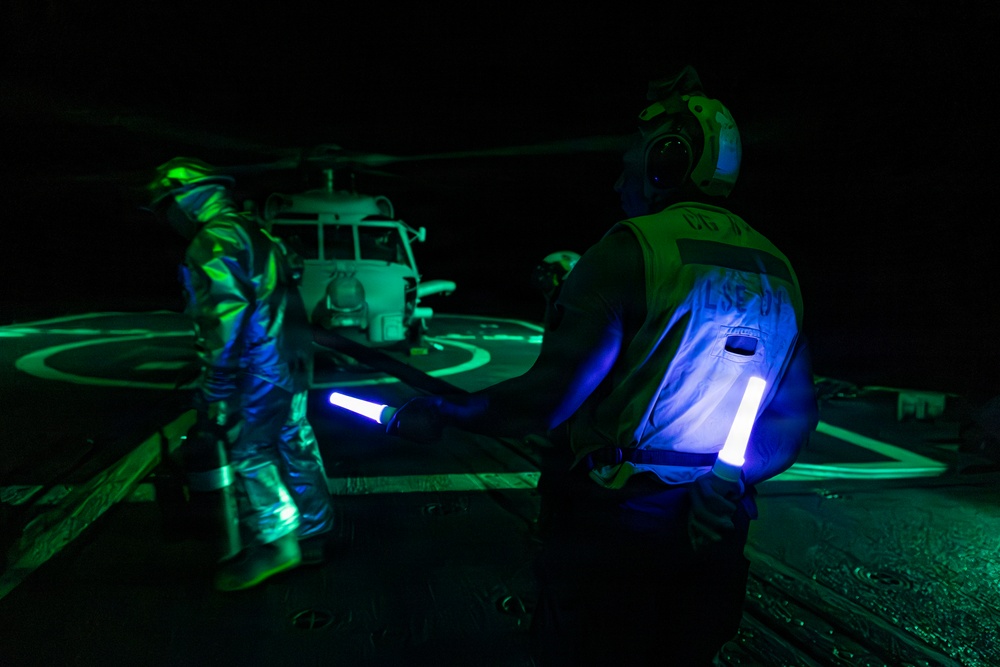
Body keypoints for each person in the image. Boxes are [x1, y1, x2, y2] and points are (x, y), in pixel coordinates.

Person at [383, 66, 818, 666]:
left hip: (616, 526)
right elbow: (794, 417)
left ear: (667, 159)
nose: (619, 181)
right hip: (715, 527)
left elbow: (546, 400)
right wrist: (730, 478)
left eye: (629, 160)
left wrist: (451, 410)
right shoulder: (779, 269)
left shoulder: (628, 249)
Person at [147, 157, 336, 592]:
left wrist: (214, 387)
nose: (166, 218)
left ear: (184, 201)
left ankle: (277, 545)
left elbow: (225, 320)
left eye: (165, 207)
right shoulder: (256, 231)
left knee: (250, 451)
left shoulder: (213, 241)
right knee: (295, 441)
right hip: (289, 361)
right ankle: (313, 532)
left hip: (256, 368)